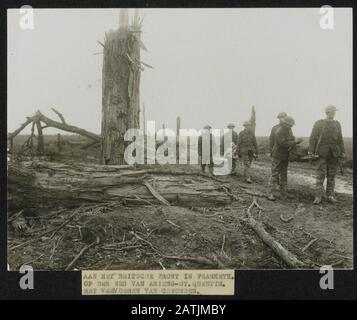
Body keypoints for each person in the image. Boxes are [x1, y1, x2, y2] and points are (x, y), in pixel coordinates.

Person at [308, 106, 345, 204]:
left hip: (334, 154)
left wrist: (343, 151)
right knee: (320, 175)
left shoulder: (337, 124)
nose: (333, 113)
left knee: (331, 176)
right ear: (327, 112)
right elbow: (312, 138)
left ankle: (330, 195)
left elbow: (340, 139)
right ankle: (318, 196)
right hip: (321, 153)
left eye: (334, 112)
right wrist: (311, 151)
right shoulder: (319, 123)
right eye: (332, 112)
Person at [268, 116, 303, 200]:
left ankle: (284, 193)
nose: (290, 126)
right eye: (289, 125)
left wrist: (296, 140)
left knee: (284, 175)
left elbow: (291, 139)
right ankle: (270, 193)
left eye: (291, 125)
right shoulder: (280, 131)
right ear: (284, 123)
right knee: (274, 174)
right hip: (277, 155)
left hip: (285, 156)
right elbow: (283, 143)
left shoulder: (289, 130)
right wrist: (295, 142)